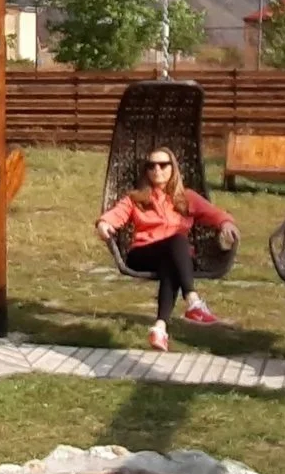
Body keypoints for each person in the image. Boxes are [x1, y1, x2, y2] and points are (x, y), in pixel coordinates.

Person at [95, 148, 239, 352]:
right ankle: (193, 301)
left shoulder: (186, 197)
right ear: (146, 171)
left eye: (163, 165)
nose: (157, 169)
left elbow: (215, 214)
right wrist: (104, 224)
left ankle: (160, 328)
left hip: (174, 258)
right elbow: (115, 215)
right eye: (151, 165)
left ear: (173, 169)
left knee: (171, 265)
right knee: (178, 241)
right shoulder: (136, 198)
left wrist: (226, 224)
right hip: (143, 254)